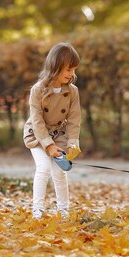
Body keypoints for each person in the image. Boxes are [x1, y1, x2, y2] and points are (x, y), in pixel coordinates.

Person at [23, 42, 81, 219]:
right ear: (55, 67)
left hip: (59, 135)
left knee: (59, 172)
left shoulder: (72, 91)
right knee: (43, 168)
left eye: (73, 70)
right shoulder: (38, 90)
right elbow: (37, 120)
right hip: (38, 135)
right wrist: (48, 145)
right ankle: (38, 211)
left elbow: (74, 119)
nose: (72, 74)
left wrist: (72, 143)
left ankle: (64, 211)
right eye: (68, 69)